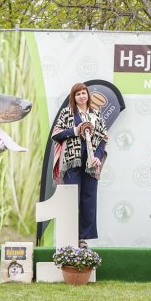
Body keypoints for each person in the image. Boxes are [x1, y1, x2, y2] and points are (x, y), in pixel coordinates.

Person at [51, 83, 109, 247]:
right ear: (74, 97)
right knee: (71, 199)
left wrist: (98, 156)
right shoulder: (67, 113)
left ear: (88, 95)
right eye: (78, 94)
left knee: (89, 199)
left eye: (84, 93)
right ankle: (70, 237)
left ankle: (82, 238)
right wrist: (75, 130)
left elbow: (103, 138)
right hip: (72, 161)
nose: (82, 96)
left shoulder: (96, 114)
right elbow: (56, 134)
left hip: (91, 164)